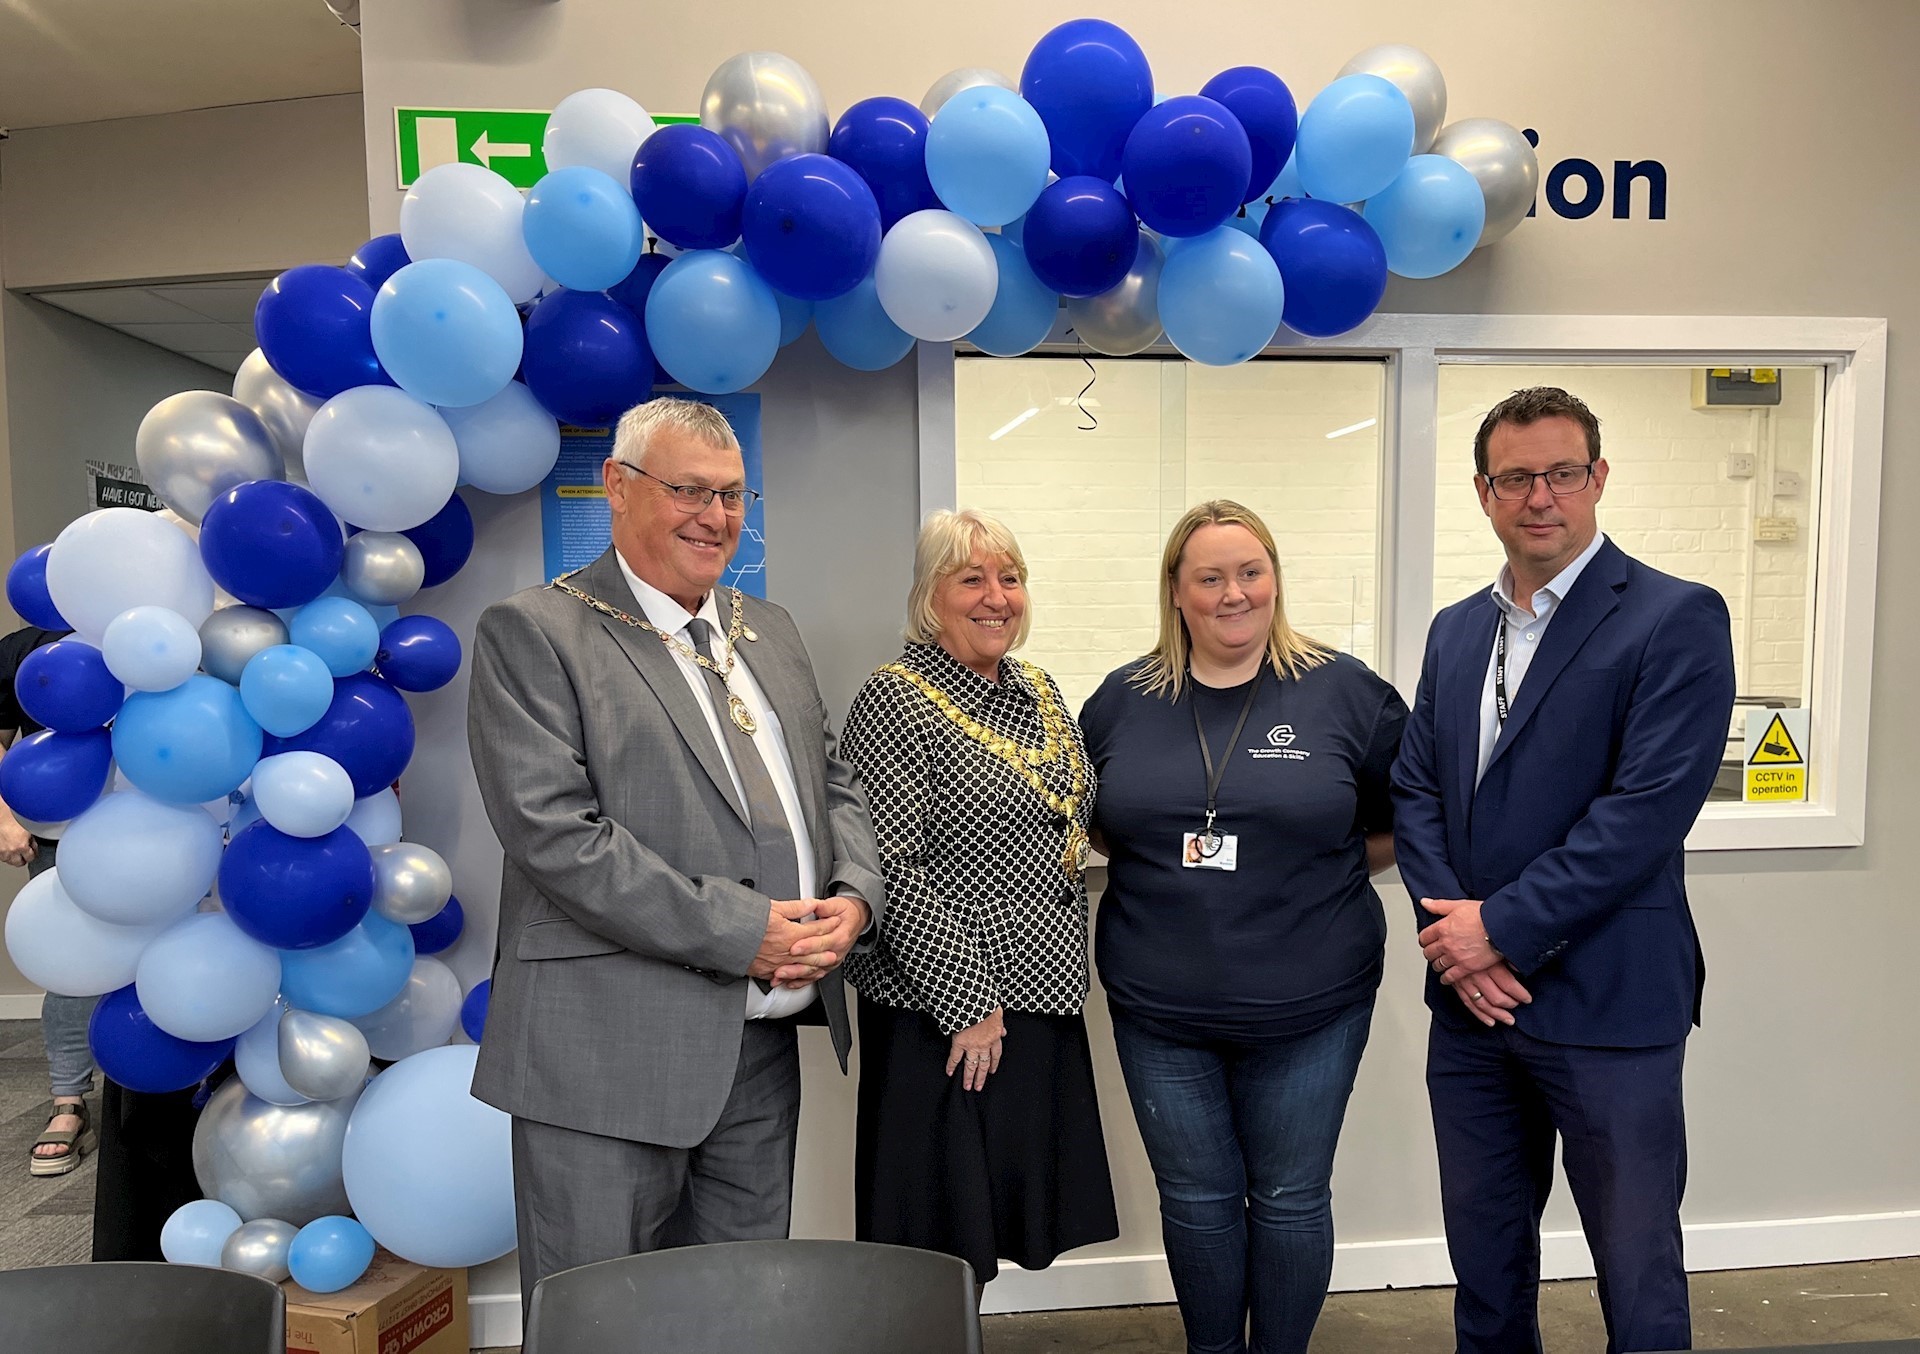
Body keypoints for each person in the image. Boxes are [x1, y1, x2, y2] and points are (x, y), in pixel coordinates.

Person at [466, 397, 885, 1301]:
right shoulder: (536, 630)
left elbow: (831, 781)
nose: (716, 516)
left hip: (757, 1056)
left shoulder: (765, 627)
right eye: (689, 490)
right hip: (602, 1058)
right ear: (616, 487)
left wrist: (852, 894)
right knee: (600, 1316)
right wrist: (750, 933)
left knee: (736, 1312)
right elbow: (558, 838)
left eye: (733, 495)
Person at [1391, 387, 1736, 1354]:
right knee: (1485, 1262)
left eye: (1561, 473)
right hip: (1473, 1012)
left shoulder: (1674, 618)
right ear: (1483, 492)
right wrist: (1460, 947)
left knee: (1636, 1269)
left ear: (1598, 479)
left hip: (1607, 1003)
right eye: (1515, 478)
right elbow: (1416, 786)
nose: (1539, 496)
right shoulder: (1459, 630)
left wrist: (1492, 931)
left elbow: (1642, 816)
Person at [1078, 501, 1407, 1354]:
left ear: (1275, 580)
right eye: (1211, 577)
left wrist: (1311, 871)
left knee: (1293, 1197)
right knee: (1195, 1201)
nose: (1235, 593)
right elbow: (1107, 824)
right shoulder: (1121, 701)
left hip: (1313, 1007)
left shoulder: (1346, 692)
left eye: (1250, 572)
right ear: (1176, 593)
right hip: (1161, 1011)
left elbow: (1400, 818)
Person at [840, 509, 1117, 1298]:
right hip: (947, 1011)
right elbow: (890, 865)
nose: (996, 597)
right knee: (938, 1236)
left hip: (1041, 995)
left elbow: (1068, 814)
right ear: (931, 596)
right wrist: (968, 1003)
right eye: (972, 579)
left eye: (1011, 577)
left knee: (999, 1220)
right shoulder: (895, 701)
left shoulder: (1037, 688)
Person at [0, 622, 97, 1178]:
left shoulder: (162, 627)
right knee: (71, 967)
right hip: (56, 830)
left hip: (163, 831)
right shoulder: (22, 648)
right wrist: (4, 819)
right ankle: (68, 1101)